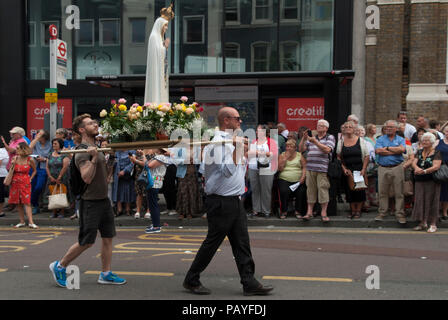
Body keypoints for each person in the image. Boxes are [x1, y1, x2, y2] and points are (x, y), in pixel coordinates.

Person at [183, 107, 274, 296]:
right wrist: (239, 149)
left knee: (242, 242)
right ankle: (191, 279)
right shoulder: (218, 143)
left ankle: (249, 282)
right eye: (237, 118)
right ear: (226, 120)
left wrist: (249, 152)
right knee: (212, 243)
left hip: (234, 200)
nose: (240, 122)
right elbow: (227, 171)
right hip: (221, 202)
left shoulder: (230, 142)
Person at [49, 114, 126, 288]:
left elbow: (105, 176)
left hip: (103, 200)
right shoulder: (82, 151)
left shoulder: (95, 147)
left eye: (95, 122)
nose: (95, 124)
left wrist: (110, 157)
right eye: (90, 123)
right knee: (87, 241)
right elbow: (87, 177)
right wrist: (92, 158)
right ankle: (59, 266)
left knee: (108, 237)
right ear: (82, 130)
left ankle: (105, 274)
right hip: (89, 202)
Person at [299, 119, 335, 222]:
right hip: (310, 168)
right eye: (318, 125)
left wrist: (315, 142)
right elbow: (301, 149)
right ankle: (309, 212)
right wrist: (304, 138)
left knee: (323, 190)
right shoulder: (312, 138)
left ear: (326, 128)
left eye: (322, 125)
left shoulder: (330, 137)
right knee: (310, 191)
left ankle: (324, 213)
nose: (319, 126)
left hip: (322, 169)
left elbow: (327, 150)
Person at [374, 120, 407, 224]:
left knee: (399, 192)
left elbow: (402, 150)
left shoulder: (401, 139)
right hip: (382, 167)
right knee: (382, 191)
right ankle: (382, 212)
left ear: (396, 129)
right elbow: (378, 151)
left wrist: (387, 148)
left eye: (391, 127)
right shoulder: (380, 139)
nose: (388, 128)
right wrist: (394, 150)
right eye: (387, 127)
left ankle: (400, 214)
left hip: (397, 167)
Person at [337, 122, 370, 219]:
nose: (348, 128)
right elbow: (338, 156)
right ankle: (352, 210)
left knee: (359, 190)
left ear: (354, 129)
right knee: (349, 191)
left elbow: (367, 156)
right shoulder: (341, 141)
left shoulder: (361, 140)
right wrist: (344, 169)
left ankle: (358, 211)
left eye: (350, 127)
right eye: (346, 127)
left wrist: (363, 169)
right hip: (348, 170)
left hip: (359, 169)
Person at [411, 132, 442, 233]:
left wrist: (424, 171)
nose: (424, 142)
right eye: (423, 140)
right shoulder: (419, 152)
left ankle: (433, 224)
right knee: (421, 200)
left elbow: (436, 166)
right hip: (420, 181)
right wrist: (416, 168)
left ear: (432, 142)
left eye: (427, 140)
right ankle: (423, 222)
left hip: (432, 181)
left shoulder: (437, 152)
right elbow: (414, 162)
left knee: (432, 201)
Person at [144, 4, 174, 104]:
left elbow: (161, 55)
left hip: (161, 72)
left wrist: (164, 47)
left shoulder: (159, 38)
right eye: (165, 25)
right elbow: (156, 54)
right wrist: (165, 47)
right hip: (156, 72)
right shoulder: (154, 37)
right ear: (159, 24)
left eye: (167, 25)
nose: (166, 28)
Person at [247, 124, 278, 218]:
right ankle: (256, 210)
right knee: (255, 190)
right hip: (253, 168)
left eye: (258, 130)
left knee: (266, 190)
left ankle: (266, 211)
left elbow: (273, 154)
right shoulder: (254, 141)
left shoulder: (271, 141)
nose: (256, 132)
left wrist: (256, 153)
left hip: (267, 169)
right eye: (256, 130)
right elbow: (249, 153)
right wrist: (263, 153)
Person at [9, 142, 37, 229]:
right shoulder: (15, 158)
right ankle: (22, 221)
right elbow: (11, 171)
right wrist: (12, 163)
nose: (16, 150)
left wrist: (30, 178)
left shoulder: (30, 159)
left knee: (27, 202)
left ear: (23, 149)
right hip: (15, 182)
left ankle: (31, 222)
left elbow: (35, 170)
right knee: (18, 202)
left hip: (25, 182)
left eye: (18, 148)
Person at [277, 139, 307, 219]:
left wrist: (303, 177)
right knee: (284, 191)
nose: (288, 148)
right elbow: (280, 169)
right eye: (287, 146)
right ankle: (284, 211)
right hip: (284, 178)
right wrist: (284, 159)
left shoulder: (299, 155)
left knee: (301, 191)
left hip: (298, 180)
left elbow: (304, 167)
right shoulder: (282, 155)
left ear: (295, 148)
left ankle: (298, 211)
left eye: (291, 146)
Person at [144, 148, 170, 233]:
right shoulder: (158, 157)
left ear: (159, 150)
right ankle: (155, 223)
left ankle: (156, 226)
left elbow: (149, 165)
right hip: (153, 182)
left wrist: (144, 156)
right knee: (152, 204)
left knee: (153, 204)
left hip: (155, 182)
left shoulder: (161, 157)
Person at [174, 147, 203, 220]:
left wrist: (193, 160)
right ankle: (182, 212)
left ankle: (190, 212)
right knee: (182, 192)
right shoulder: (180, 148)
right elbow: (175, 160)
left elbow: (199, 160)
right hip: (182, 173)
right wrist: (185, 160)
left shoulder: (196, 148)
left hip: (192, 173)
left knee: (191, 192)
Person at [45, 138, 71, 218]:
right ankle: (54, 211)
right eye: (53, 144)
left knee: (61, 193)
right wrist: (50, 176)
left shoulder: (64, 154)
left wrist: (59, 177)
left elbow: (65, 166)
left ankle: (62, 212)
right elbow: (47, 166)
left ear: (60, 144)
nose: (54, 145)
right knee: (52, 194)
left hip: (62, 178)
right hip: (52, 177)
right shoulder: (50, 154)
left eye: (55, 144)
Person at [29, 130, 51, 215]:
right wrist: (36, 138)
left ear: (44, 136)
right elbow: (29, 148)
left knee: (39, 187)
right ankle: (35, 205)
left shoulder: (50, 144)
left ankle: (33, 202)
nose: (38, 136)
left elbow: (52, 155)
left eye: (40, 135)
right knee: (32, 186)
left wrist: (44, 159)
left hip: (43, 167)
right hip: (34, 166)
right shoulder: (36, 143)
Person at [112, 150, 136, 216]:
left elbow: (133, 162)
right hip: (117, 173)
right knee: (118, 191)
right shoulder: (116, 151)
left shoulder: (132, 151)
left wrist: (124, 171)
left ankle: (127, 209)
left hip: (128, 174)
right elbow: (114, 161)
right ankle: (119, 209)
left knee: (128, 191)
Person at [129, 149, 151, 219]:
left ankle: (148, 211)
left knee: (148, 193)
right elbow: (133, 162)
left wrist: (136, 160)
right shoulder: (137, 152)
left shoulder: (151, 152)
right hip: (138, 175)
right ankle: (138, 211)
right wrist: (133, 159)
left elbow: (145, 164)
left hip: (147, 175)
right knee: (139, 193)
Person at [436, 125, 448, 220]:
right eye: (447, 131)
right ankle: (438, 212)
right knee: (439, 191)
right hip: (440, 169)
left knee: (447, 192)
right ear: (444, 132)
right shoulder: (438, 142)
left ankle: (445, 212)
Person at [0, 147, 9, 217]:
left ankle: (0, 211)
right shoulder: (3, 150)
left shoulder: (1, 151)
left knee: (0, 193)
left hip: (1, 174)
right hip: (2, 174)